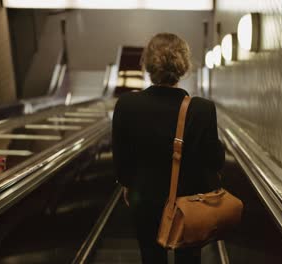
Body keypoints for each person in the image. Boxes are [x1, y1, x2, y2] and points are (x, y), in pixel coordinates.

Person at [112, 33, 225, 264]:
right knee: (190, 259)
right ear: (183, 66)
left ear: (147, 65)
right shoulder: (202, 109)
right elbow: (215, 161)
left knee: (151, 257)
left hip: (144, 199)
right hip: (190, 204)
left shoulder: (126, 104)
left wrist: (128, 184)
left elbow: (121, 161)